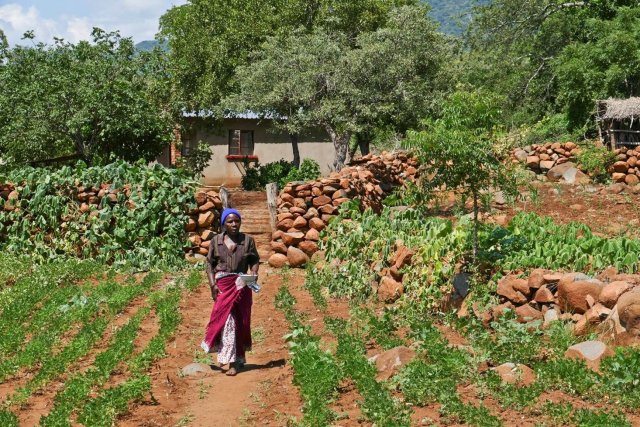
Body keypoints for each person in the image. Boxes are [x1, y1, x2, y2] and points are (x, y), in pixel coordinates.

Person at [201, 208, 259, 376]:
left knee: (238, 322)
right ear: (224, 224)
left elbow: (254, 260)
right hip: (223, 286)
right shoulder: (216, 242)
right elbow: (209, 265)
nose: (234, 224)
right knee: (225, 321)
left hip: (241, 285)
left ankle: (235, 361)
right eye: (230, 221)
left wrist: (253, 274)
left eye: (237, 221)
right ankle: (229, 357)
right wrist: (213, 285)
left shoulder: (247, 241)